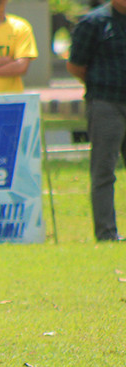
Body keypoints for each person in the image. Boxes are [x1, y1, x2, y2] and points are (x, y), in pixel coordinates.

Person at [67, 0, 126, 242]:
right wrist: (101, 82)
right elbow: (75, 65)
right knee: (104, 170)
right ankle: (106, 233)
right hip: (105, 103)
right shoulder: (94, 22)